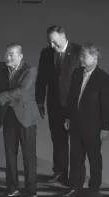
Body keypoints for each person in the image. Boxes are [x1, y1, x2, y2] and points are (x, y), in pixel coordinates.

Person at [0, 43, 40, 197]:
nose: (7, 57)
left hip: (26, 119)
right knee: (10, 155)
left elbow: (22, 91)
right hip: (8, 117)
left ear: (20, 56)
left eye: (11, 55)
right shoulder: (2, 70)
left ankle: (31, 190)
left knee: (29, 156)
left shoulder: (30, 70)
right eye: (6, 54)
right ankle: (12, 187)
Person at [62, 42, 109, 197]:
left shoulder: (104, 79)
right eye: (80, 56)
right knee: (76, 158)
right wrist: (68, 117)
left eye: (84, 56)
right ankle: (75, 187)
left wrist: (105, 127)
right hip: (76, 124)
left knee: (94, 158)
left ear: (95, 57)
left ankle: (94, 189)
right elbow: (72, 97)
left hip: (93, 127)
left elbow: (107, 106)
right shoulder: (77, 73)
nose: (80, 59)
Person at [35, 25, 81, 185]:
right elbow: (41, 79)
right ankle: (59, 171)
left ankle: (73, 177)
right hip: (54, 105)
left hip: (73, 106)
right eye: (50, 43)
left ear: (63, 36)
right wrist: (39, 102)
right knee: (58, 141)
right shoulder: (46, 53)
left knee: (75, 143)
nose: (52, 46)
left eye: (55, 42)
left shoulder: (78, 52)